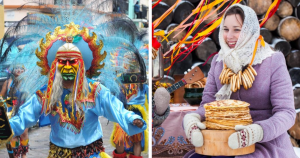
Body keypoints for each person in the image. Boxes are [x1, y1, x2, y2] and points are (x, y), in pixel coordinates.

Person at [0, 22, 147, 158]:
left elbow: (116, 109)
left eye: (72, 62)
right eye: (63, 62)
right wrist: (5, 126)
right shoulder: (46, 94)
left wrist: (132, 119)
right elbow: (24, 116)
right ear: (56, 65)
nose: (68, 66)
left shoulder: (95, 91)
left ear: (81, 65)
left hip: (90, 154)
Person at [183, 4, 297, 158]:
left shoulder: (272, 61)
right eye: (225, 29)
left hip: (264, 142)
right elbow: (208, 105)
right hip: (223, 139)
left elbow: (286, 113)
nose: (229, 36)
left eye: (237, 30)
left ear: (250, 31)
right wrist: (194, 118)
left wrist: (257, 131)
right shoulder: (219, 61)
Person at [0, 65, 28, 158]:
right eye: (17, 67)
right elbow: (1, 96)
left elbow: (30, 96)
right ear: (12, 70)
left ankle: (24, 155)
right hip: (11, 112)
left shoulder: (26, 83)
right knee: (13, 135)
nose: (19, 70)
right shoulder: (7, 82)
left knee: (24, 133)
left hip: (23, 111)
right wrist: (5, 102)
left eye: (21, 68)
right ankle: (15, 155)